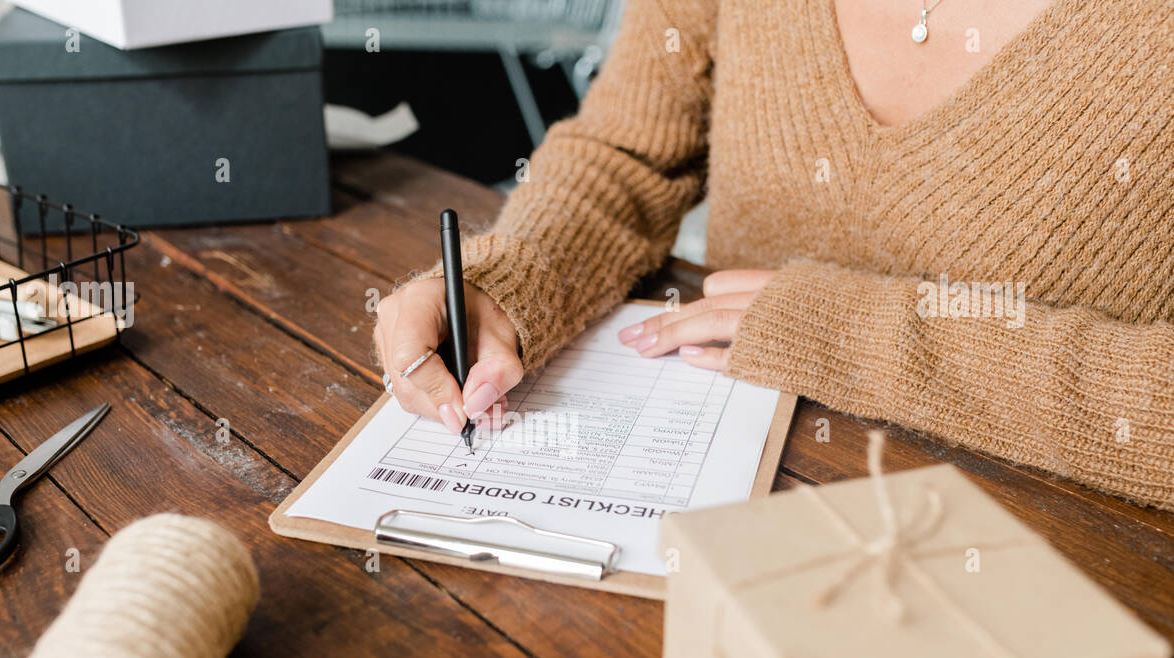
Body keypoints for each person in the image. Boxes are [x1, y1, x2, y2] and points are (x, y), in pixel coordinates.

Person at [373, 0, 1174, 510]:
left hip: (1042, 612)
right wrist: (513, 279)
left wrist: (860, 336)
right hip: (707, 549)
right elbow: (630, 152)